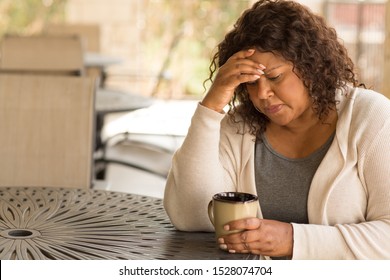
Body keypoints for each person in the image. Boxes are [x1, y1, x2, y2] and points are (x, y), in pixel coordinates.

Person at [163, 0, 390, 259]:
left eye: (274, 77)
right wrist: (212, 105)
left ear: (310, 66)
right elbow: (189, 216)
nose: (262, 94)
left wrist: (293, 240)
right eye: (249, 82)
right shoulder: (241, 126)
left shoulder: (372, 118)